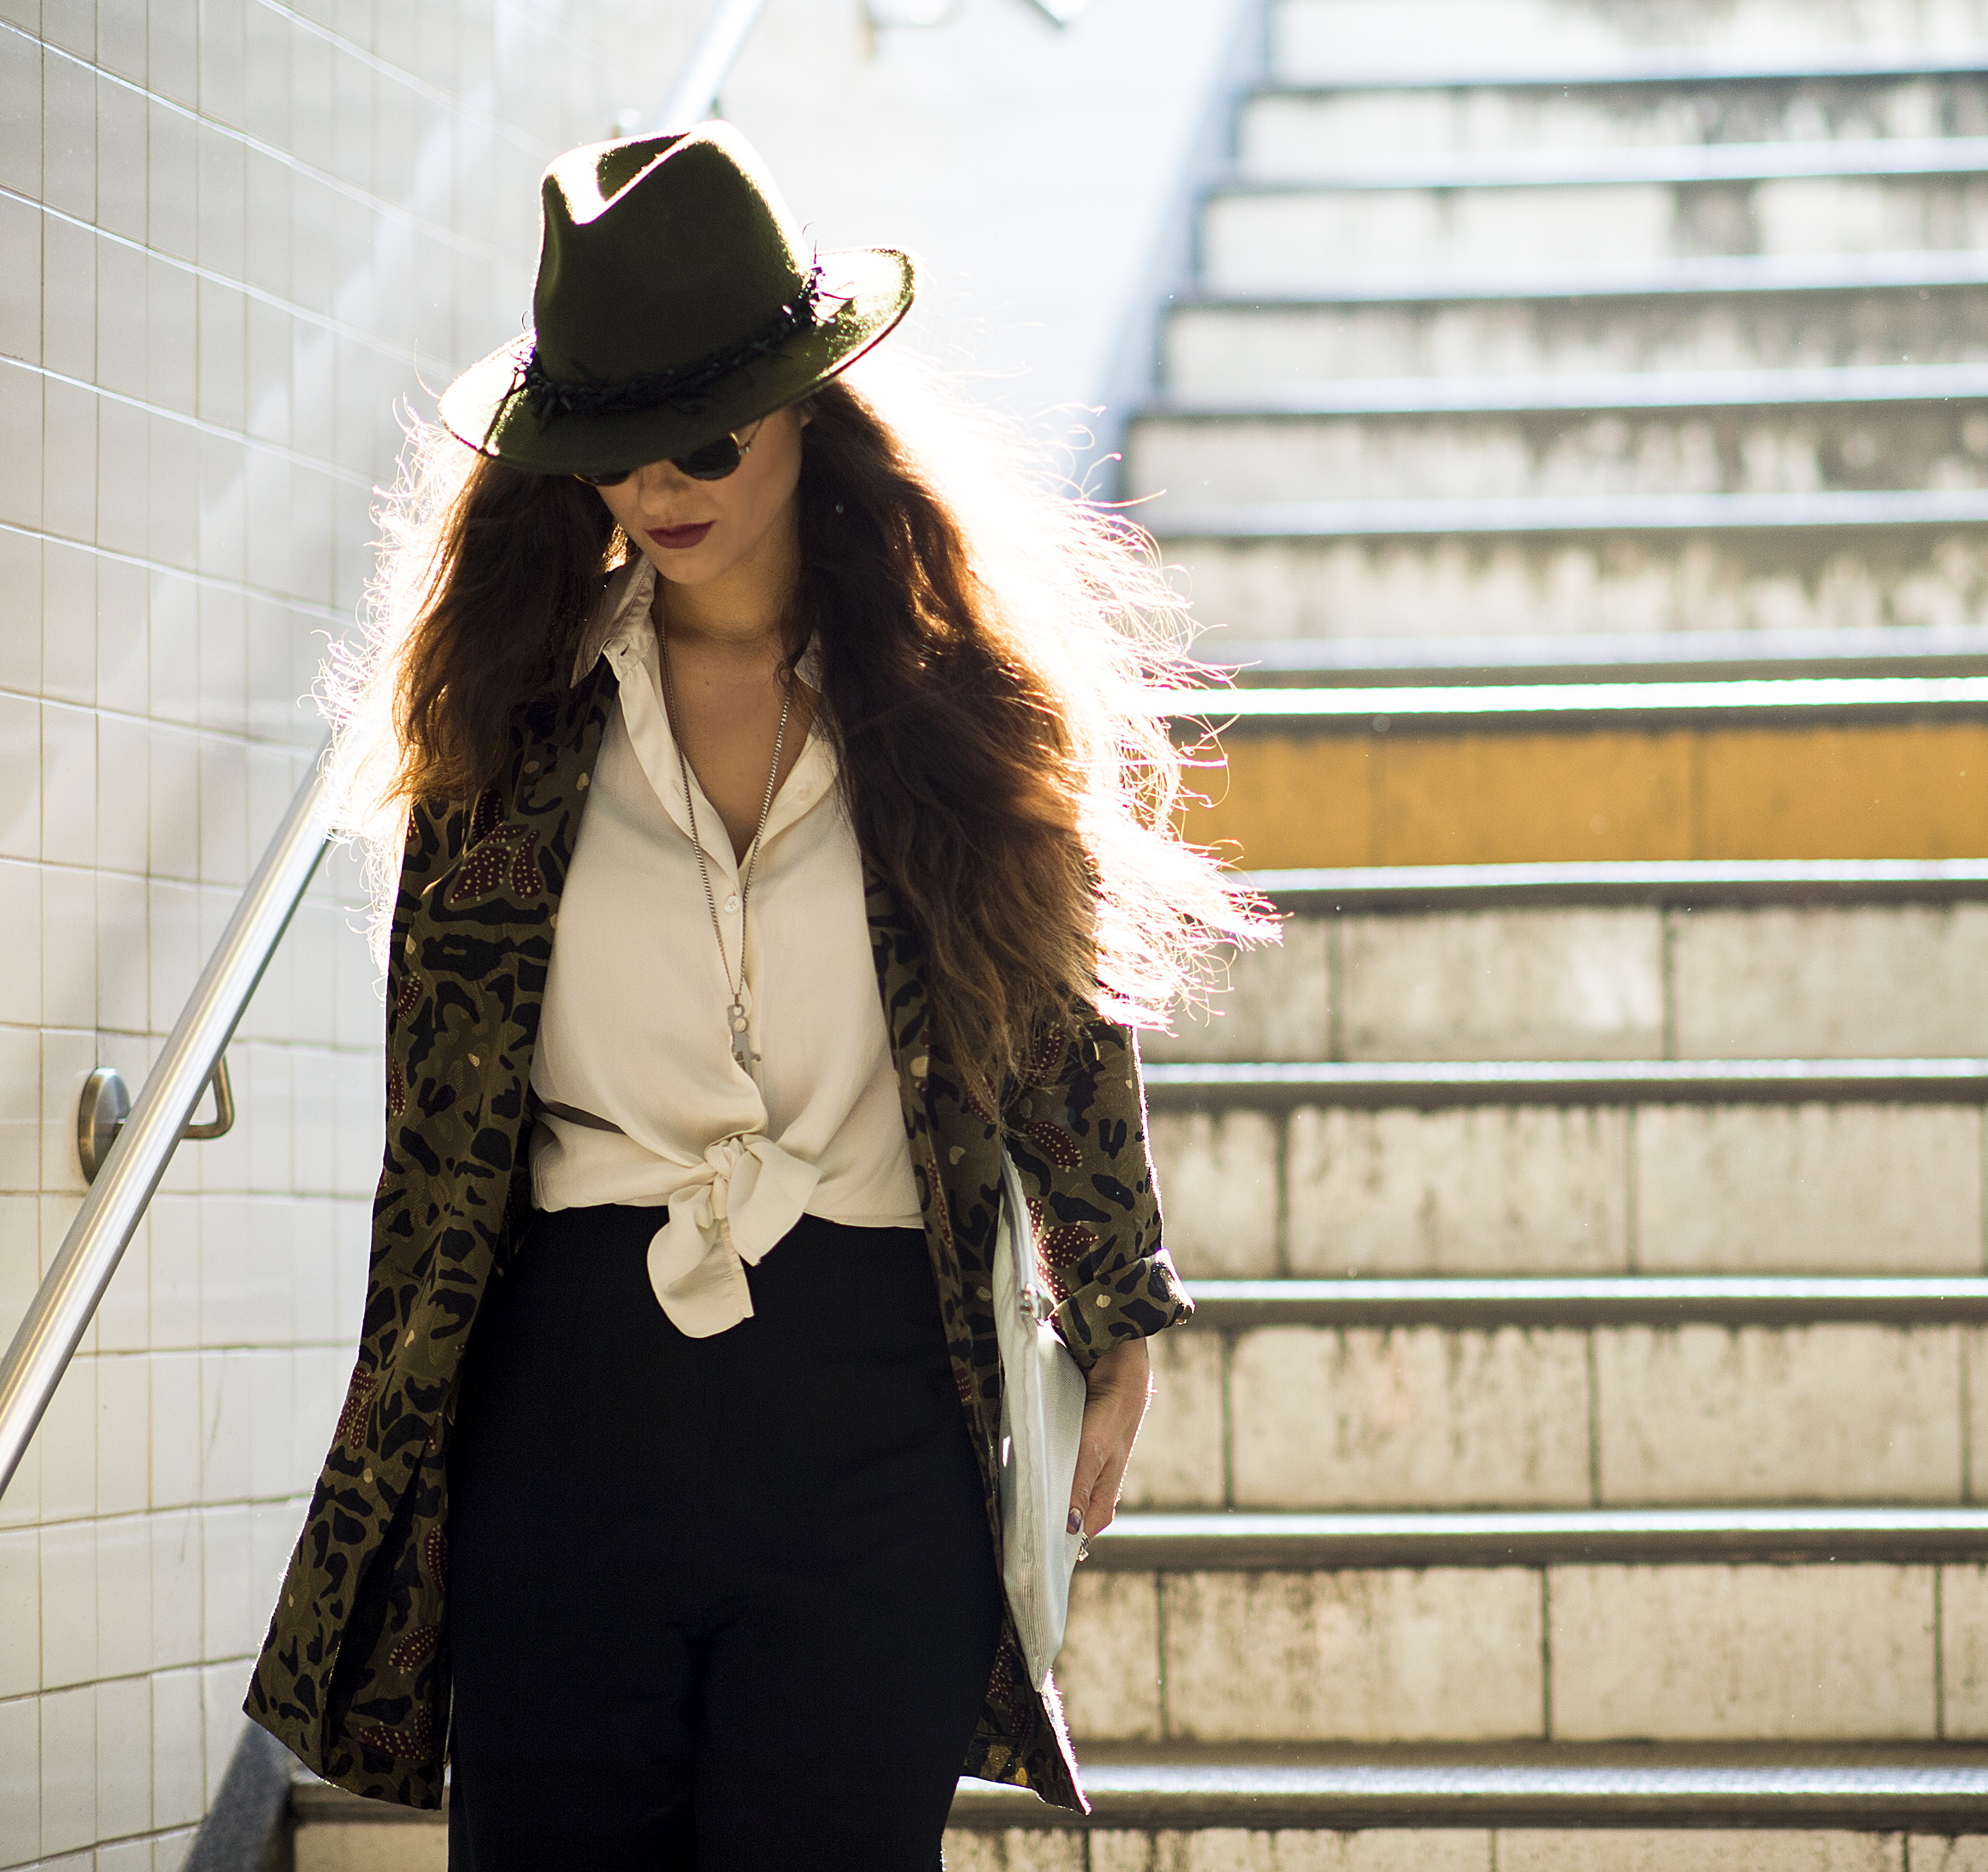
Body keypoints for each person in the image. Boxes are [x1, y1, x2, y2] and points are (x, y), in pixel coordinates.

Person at [240, 122, 1265, 1870]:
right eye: (612, 450)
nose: (661, 486)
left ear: (810, 409)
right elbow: (436, 1145)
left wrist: (1117, 1306)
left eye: (703, 434)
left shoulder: (955, 712)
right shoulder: (507, 732)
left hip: (875, 1411)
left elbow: (1055, 1021)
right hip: (571, 1412)